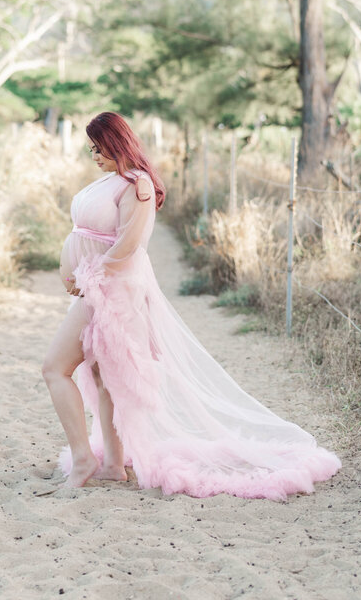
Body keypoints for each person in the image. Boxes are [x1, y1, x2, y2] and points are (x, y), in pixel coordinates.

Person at [41, 111, 341, 499]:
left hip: (111, 291)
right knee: (103, 377)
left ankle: (84, 458)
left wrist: (88, 278)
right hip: (94, 288)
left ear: (119, 144)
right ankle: (113, 466)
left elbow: (130, 245)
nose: (95, 155)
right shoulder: (108, 180)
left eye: (101, 147)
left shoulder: (138, 185)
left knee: (54, 368)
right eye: (91, 148)